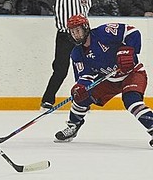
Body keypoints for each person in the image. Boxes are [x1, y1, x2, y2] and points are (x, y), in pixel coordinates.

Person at [1, 0, 138, 111]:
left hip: (84, 37)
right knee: (60, 70)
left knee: (86, 70)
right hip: (65, 37)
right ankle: (47, 100)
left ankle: (82, 100)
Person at [54, 14, 153, 147]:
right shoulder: (77, 53)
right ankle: (73, 126)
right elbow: (85, 76)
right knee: (80, 98)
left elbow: (132, 31)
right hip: (108, 79)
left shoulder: (103, 32)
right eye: (72, 32)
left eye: (78, 30)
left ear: (85, 27)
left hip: (132, 73)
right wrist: (80, 88)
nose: (75, 35)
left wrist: (128, 50)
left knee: (131, 100)